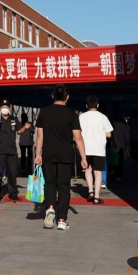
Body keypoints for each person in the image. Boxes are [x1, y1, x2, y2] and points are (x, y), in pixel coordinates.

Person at [35, 85, 88, 231]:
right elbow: (78, 138)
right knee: (64, 187)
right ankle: (62, 220)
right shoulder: (72, 114)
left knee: (49, 183)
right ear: (67, 97)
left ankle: (51, 207)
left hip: (48, 154)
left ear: (53, 96)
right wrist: (83, 157)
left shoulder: (44, 113)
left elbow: (40, 135)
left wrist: (38, 154)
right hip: (66, 155)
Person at [78, 96, 114, 204]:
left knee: (87, 170)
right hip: (99, 149)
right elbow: (109, 134)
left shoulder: (81, 117)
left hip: (85, 148)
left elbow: (77, 132)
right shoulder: (103, 117)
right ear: (97, 105)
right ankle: (97, 197)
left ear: (86, 106)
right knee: (98, 173)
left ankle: (90, 191)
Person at [0, 101, 21, 203]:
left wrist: (26, 127)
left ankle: (13, 194)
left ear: (10, 108)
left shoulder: (14, 119)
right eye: (3, 106)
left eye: (6, 107)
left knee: (12, 173)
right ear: (0, 108)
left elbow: (20, 130)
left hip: (11, 151)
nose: (5, 108)